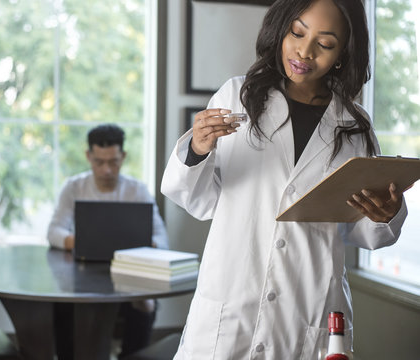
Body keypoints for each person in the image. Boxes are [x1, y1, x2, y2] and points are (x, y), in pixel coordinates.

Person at [161, 0, 408, 359]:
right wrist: (197, 149)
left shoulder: (355, 126)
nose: (305, 52)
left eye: (324, 44)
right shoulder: (238, 96)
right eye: (297, 32)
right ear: (281, 29)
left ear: (342, 53)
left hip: (308, 306)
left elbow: (360, 232)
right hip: (230, 303)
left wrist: (385, 212)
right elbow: (199, 200)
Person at [47, 123, 169, 359]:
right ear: (88, 156)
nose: (106, 170)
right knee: (61, 305)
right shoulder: (73, 187)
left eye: (113, 162)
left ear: (122, 156)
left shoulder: (137, 190)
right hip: (81, 276)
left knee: (145, 303)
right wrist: (83, 242)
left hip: (128, 274)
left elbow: (161, 238)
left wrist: (141, 244)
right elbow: (53, 231)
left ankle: (133, 356)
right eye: (99, 162)